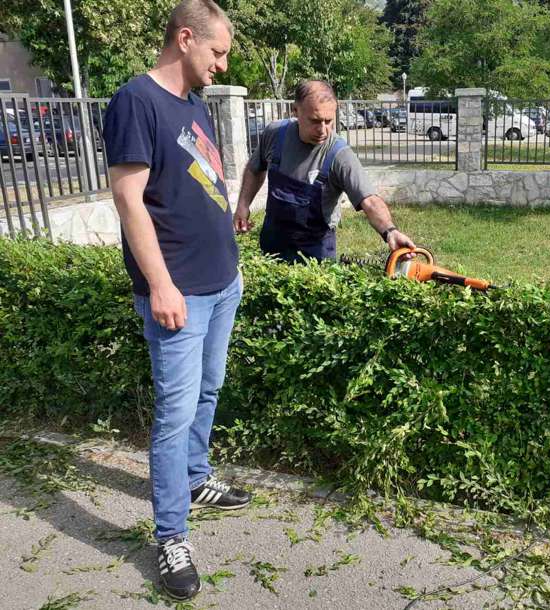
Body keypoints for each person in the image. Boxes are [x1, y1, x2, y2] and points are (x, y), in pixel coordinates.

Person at [103, 0, 251, 601]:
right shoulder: (135, 101)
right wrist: (161, 285)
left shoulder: (194, 104)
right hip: (180, 294)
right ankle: (170, 536)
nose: (220, 65)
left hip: (221, 284)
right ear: (184, 38)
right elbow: (128, 199)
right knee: (173, 415)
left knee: (208, 391)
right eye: (216, 53)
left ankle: (194, 479)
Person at [233, 80, 415, 262]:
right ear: (295, 111)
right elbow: (255, 168)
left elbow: (369, 200)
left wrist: (390, 232)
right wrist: (243, 205)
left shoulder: (340, 155)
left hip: (315, 250)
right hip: (273, 240)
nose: (323, 130)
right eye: (315, 121)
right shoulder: (274, 134)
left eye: (329, 121)